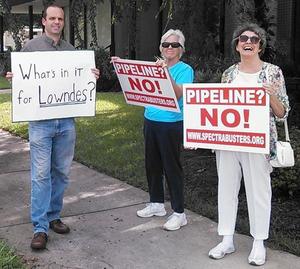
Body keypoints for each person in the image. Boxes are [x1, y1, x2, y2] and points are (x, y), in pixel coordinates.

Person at [6, 4, 100, 250]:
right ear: (44, 21)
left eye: (60, 18)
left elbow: (79, 81)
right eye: (52, 18)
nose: (57, 22)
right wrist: (13, 77)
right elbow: (22, 78)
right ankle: (40, 228)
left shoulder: (71, 51)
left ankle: (53, 215)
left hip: (66, 121)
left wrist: (91, 75)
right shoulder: (30, 48)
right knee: (40, 175)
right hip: (40, 122)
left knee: (61, 172)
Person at [208, 23, 290, 266]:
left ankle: (258, 242)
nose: (249, 42)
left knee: (259, 192)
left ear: (260, 46)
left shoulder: (273, 72)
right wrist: (200, 135)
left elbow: (282, 112)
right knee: (226, 188)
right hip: (228, 142)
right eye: (244, 38)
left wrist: (270, 95)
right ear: (237, 45)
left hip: (259, 142)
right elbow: (217, 109)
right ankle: (227, 239)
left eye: (254, 39)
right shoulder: (228, 74)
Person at [135, 29, 194, 231]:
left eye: (174, 45)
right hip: (150, 120)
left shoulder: (185, 70)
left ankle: (179, 213)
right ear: (161, 47)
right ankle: (157, 204)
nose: (169, 48)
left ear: (181, 50)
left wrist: (165, 73)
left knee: (172, 167)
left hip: (172, 123)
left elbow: (178, 94)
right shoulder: (153, 67)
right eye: (166, 45)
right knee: (152, 165)